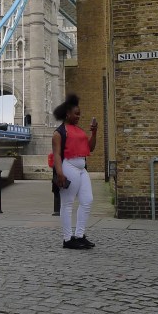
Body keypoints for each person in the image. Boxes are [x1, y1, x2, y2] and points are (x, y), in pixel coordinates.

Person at [52, 93, 98, 250]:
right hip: (68, 167)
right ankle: (67, 238)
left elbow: (90, 148)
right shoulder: (59, 133)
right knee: (67, 203)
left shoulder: (79, 130)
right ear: (67, 114)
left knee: (87, 200)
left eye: (80, 114)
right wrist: (60, 172)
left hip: (81, 168)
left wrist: (94, 132)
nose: (79, 116)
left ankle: (79, 235)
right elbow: (57, 154)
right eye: (76, 114)